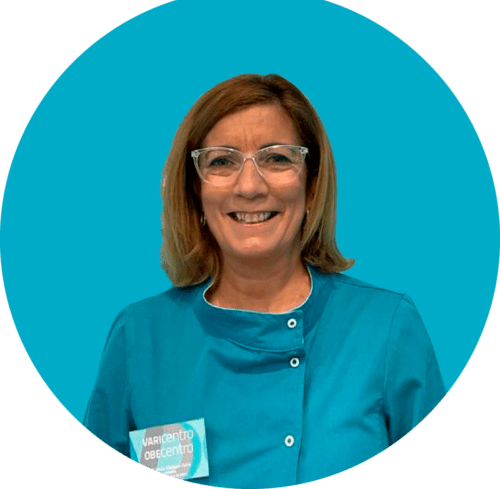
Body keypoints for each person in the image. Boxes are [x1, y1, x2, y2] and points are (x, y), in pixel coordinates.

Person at [84, 74, 445, 488]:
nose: (250, 186)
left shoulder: (386, 328)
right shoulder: (139, 337)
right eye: (221, 161)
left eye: (276, 158)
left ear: (311, 184)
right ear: (195, 190)